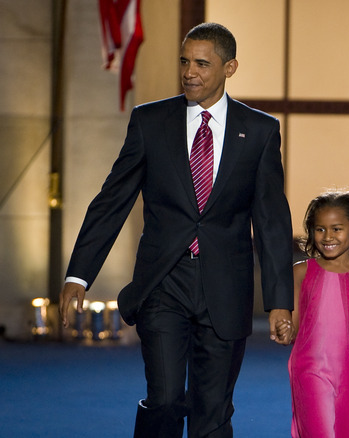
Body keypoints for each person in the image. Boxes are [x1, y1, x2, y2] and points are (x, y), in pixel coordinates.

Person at [57, 22, 294, 438]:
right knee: (165, 398)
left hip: (226, 286)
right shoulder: (151, 121)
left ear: (229, 67)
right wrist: (79, 273)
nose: (189, 72)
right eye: (184, 61)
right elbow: (112, 201)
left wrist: (279, 300)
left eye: (202, 63)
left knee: (213, 410)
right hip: (163, 282)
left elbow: (272, 221)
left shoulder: (259, 131)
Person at [277, 191, 349, 437]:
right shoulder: (301, 272)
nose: (327, 236)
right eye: (320, 229)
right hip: (310, 373)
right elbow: (293, 333)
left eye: (336, 229)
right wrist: (284, 329)